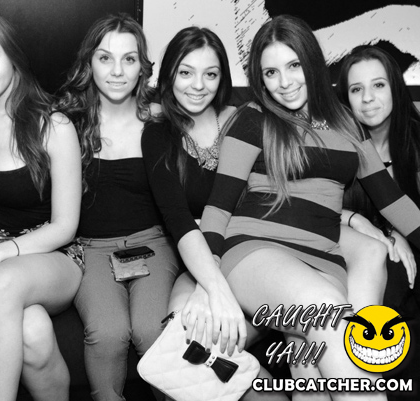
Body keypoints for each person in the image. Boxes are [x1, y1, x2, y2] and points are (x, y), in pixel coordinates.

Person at [200, 15, 420, 400]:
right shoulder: (251, 119)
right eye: (271, 72)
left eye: (294, 66)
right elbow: (218, 208)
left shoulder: (346, 123)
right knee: (331, 318)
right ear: (260, 78)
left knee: (313, 384)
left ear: (312, 63)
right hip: (255, 251)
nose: (284, 82)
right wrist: (209, 283)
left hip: (323, 258)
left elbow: (393, 201)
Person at [141, 26, 287, 401]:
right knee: (177, 348)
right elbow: (178, 219)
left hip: (256, 255)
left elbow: (281, 195)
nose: (197, 85)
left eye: (210, 74)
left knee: (206, 346)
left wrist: (354, 218)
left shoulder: (245, 121)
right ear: (169, 74)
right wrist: (211, 287)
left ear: (223, 77)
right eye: (185, 72)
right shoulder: (158, 134)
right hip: (199, 258)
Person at [0, 8, 83, 401]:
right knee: (33, 333)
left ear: (13, 57)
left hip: (52, 256)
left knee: (2, 282)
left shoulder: (54, 126)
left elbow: (65, 226)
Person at [55, 13, 181, 401]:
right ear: (89, 62)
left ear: (142, 67)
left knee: (153, 328)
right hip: (90, 248)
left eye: (129, 59)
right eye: (105, 58)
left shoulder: (160, 120)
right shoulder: (66, 124)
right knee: (108, 332)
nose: (117, 71)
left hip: (153, 243)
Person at [337, 45, 420, 295]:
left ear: (395, 88)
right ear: (346, 98)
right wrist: (384, 231)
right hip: (347, 251)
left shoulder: (416, 140)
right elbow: (308, 208)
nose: (367, 98)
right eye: (356, 89)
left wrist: (394, 231)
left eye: (379, 85)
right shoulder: (336, 144)